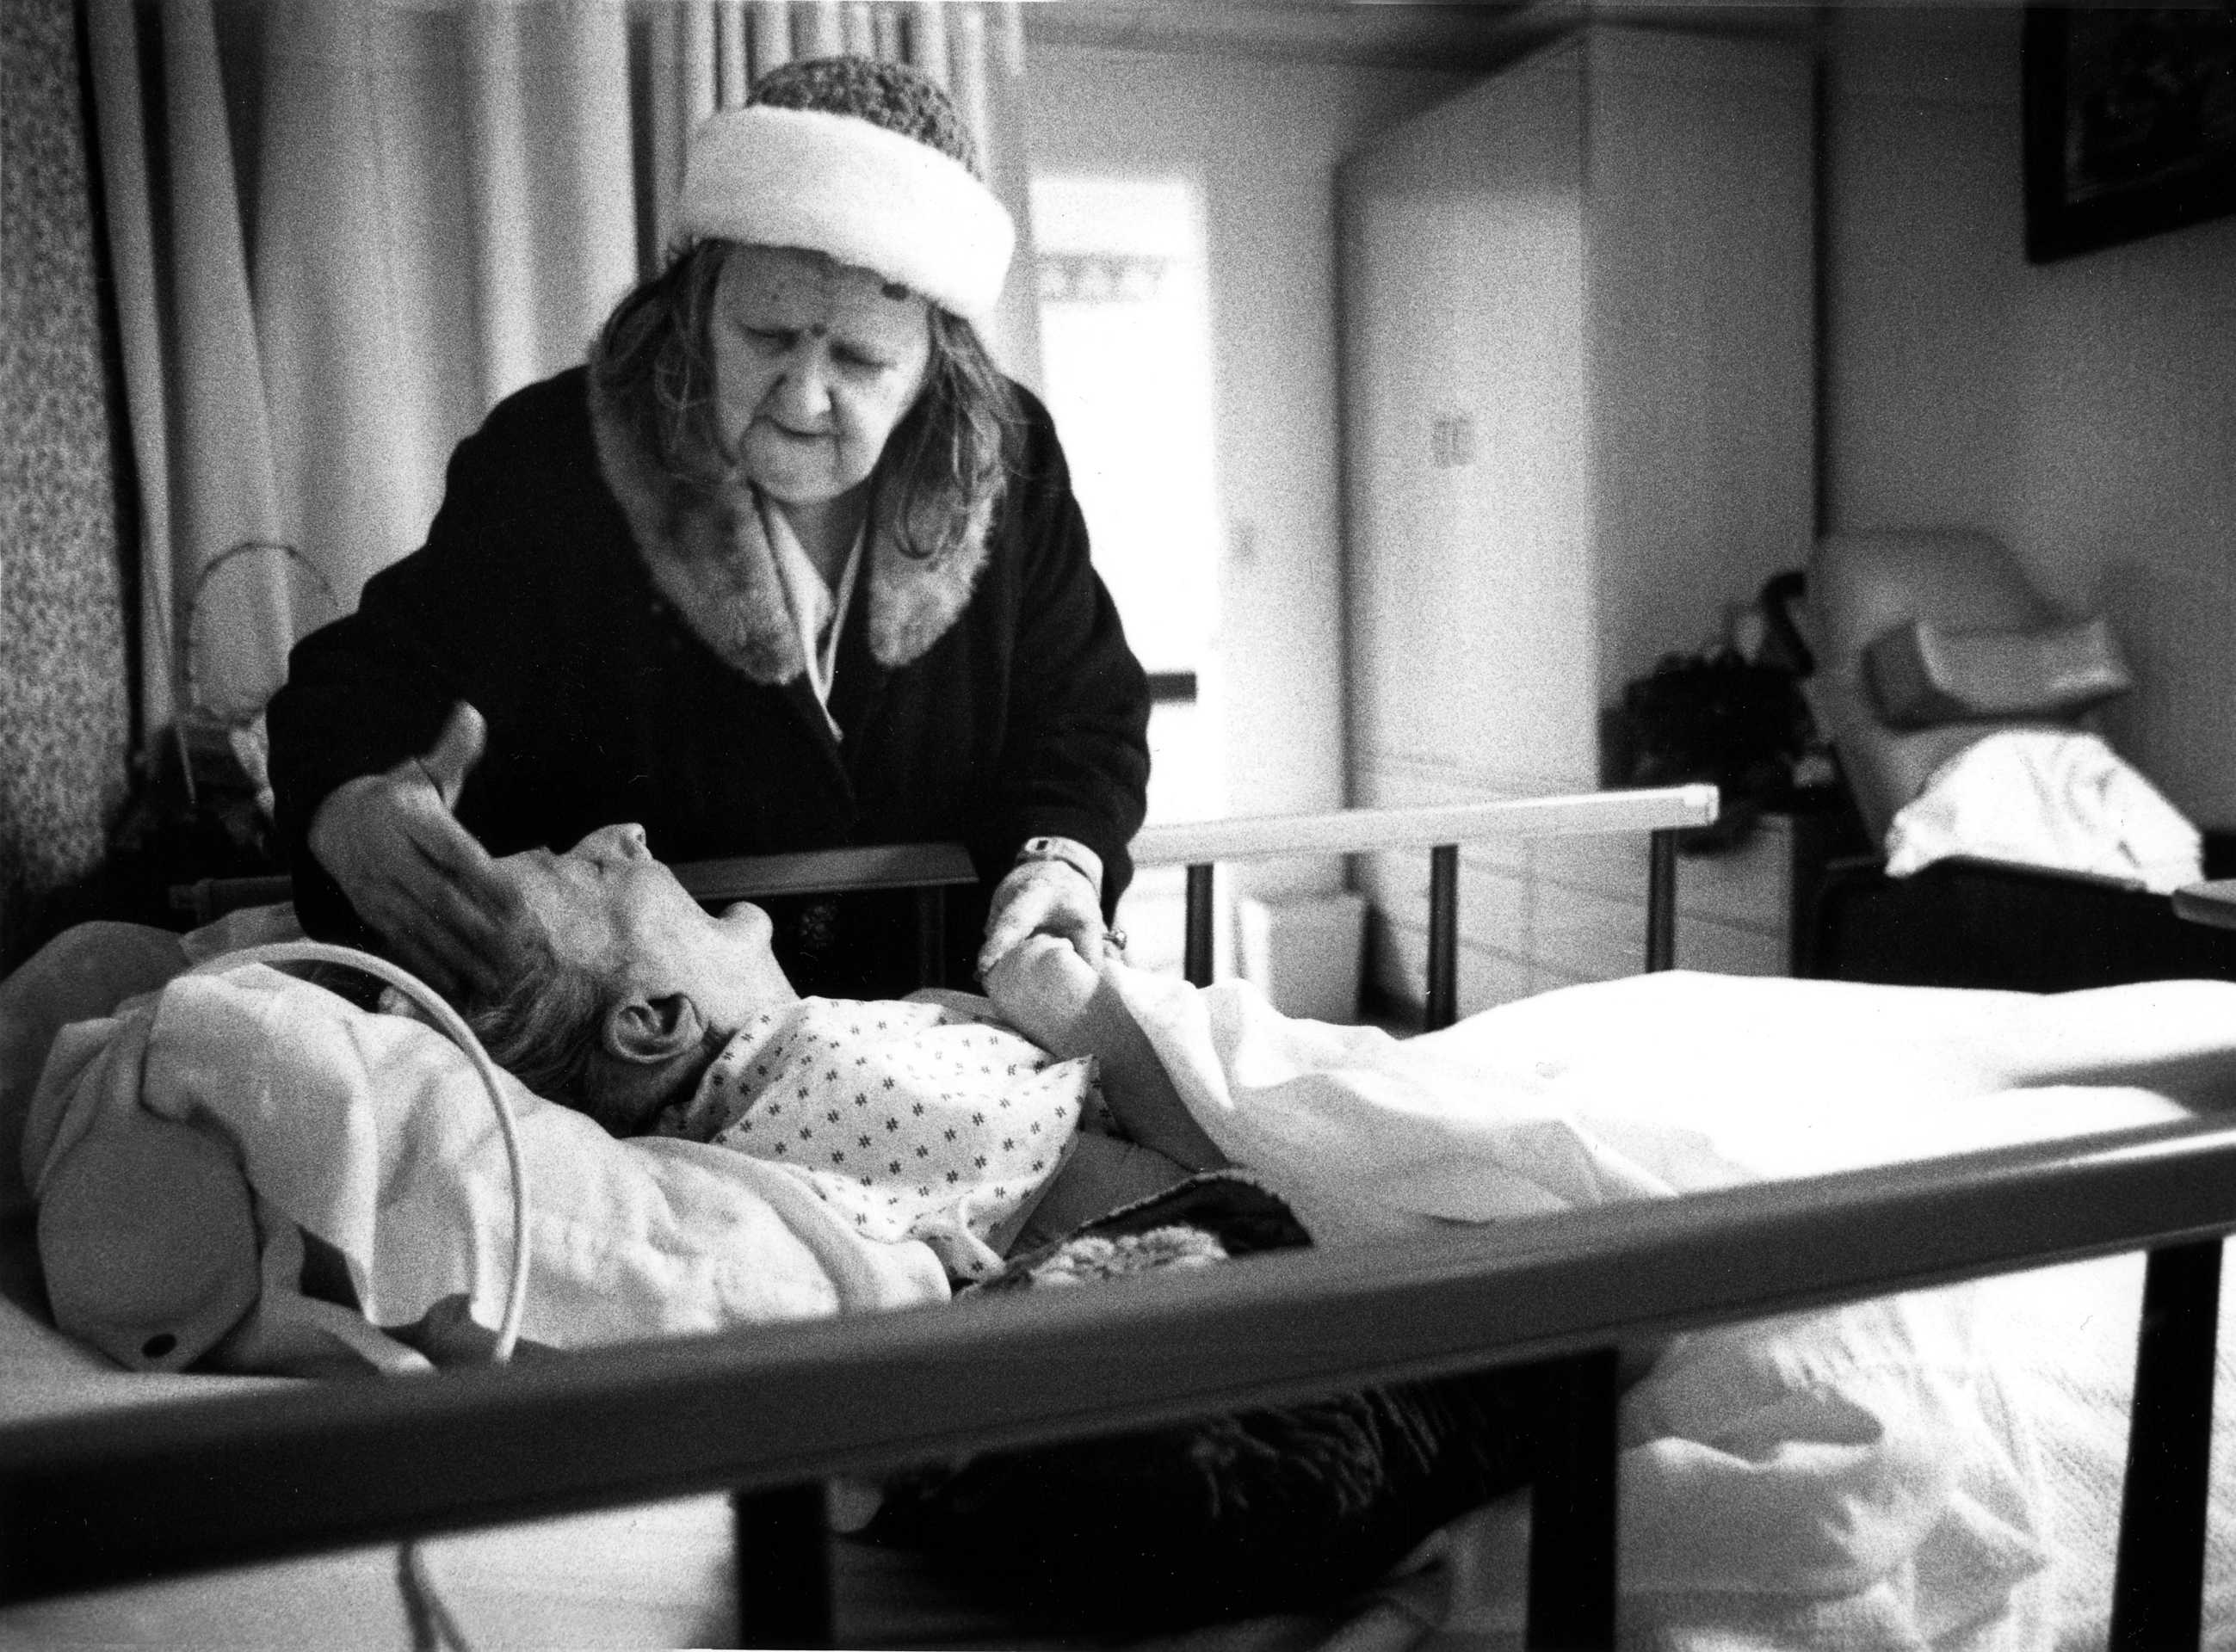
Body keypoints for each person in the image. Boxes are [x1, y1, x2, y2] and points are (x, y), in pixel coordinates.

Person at [266, 55, 1151, 1007]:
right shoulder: (554, 458)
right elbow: (363, 688)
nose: (806, 396)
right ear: (697, 308)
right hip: (634, 1054)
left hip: (925, 1027)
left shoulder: (1006, 464)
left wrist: (1060, 861)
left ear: (939, 359)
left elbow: (1082, 716)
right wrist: (349, 807)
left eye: (861, 359)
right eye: (766, 335)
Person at [470, 823, 1222, 1278]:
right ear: (657, 1021)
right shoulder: (838, 1076)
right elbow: (1199, 1194)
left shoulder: (786, 1096)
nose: (625, 833)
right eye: (595, 870)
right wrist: (1074, 1006)